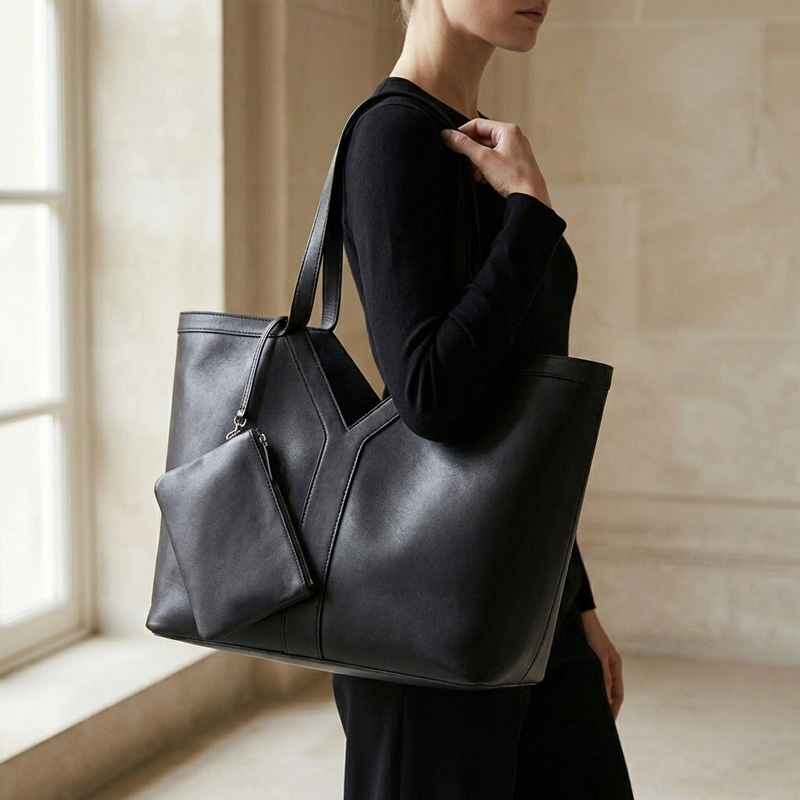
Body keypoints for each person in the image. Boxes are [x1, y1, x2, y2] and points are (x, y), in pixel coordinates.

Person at [331, 1, 635, 797]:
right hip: (427, 615)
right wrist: (529, 215)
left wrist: (576, 601)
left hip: (523, 587)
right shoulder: (392, 137)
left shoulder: (482, 143)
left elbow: (525, 417)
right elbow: (428, 395)